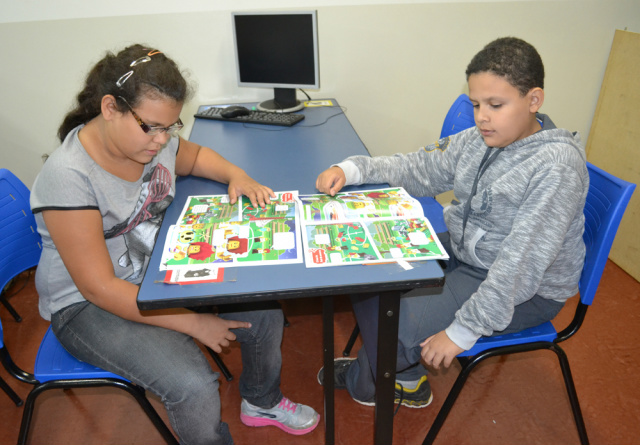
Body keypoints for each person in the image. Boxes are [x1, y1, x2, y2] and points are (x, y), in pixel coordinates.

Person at [30, 44, 319, 445]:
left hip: (153, 271)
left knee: (263, 311)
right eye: (152, 126)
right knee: (193, 385)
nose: (162, 139)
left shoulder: (151, 138)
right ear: (110, 107)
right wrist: (192, 321)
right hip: (84, 305)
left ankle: (261, 401)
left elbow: (196, 156)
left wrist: (238, 176)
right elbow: (99, 287)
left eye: (171, 126)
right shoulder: (68, 175)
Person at [315, 37, 589, 408]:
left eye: (495, 105)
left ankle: (367, 383)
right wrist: (352, 169)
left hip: (524, 289)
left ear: (534, 100)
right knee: (366, 266)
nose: (481, 117)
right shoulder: (481, 138)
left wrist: (463, 330)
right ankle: (405, 370)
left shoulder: (556, 168)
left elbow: (518, 268)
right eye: (476, 104)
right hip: (469, 251)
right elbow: (420, 168)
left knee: (394, 323)